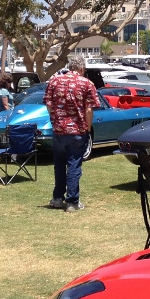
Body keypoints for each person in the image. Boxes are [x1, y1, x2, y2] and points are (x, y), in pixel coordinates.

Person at [43, 55, 101, 212]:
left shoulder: (54, 81)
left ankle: (57, 198)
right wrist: (87, 129)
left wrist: (55, 120)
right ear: (81, 68)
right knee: (74, 165)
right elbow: (89, 110)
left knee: (59, 165)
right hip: (77, 131)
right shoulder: (87, 83)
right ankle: (72, 202)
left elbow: (48, 104)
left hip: (59, 130)